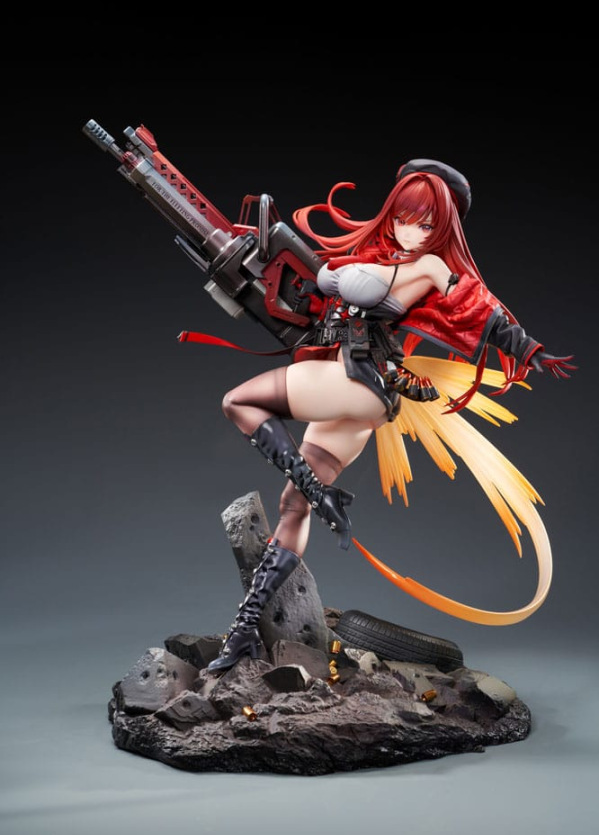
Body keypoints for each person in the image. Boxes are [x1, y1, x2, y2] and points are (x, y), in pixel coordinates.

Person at [207, 159, 575, 673]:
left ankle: (323, 496)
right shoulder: (379, 255)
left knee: (238, 402)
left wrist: (528, 349)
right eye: (404, 218)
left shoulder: (430, 267)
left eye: (426, 224)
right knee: (293, 506)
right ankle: (245, 631)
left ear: (442, 229)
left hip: (358, 383)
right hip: (358, 401)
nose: (412, 231)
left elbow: (480, 308)